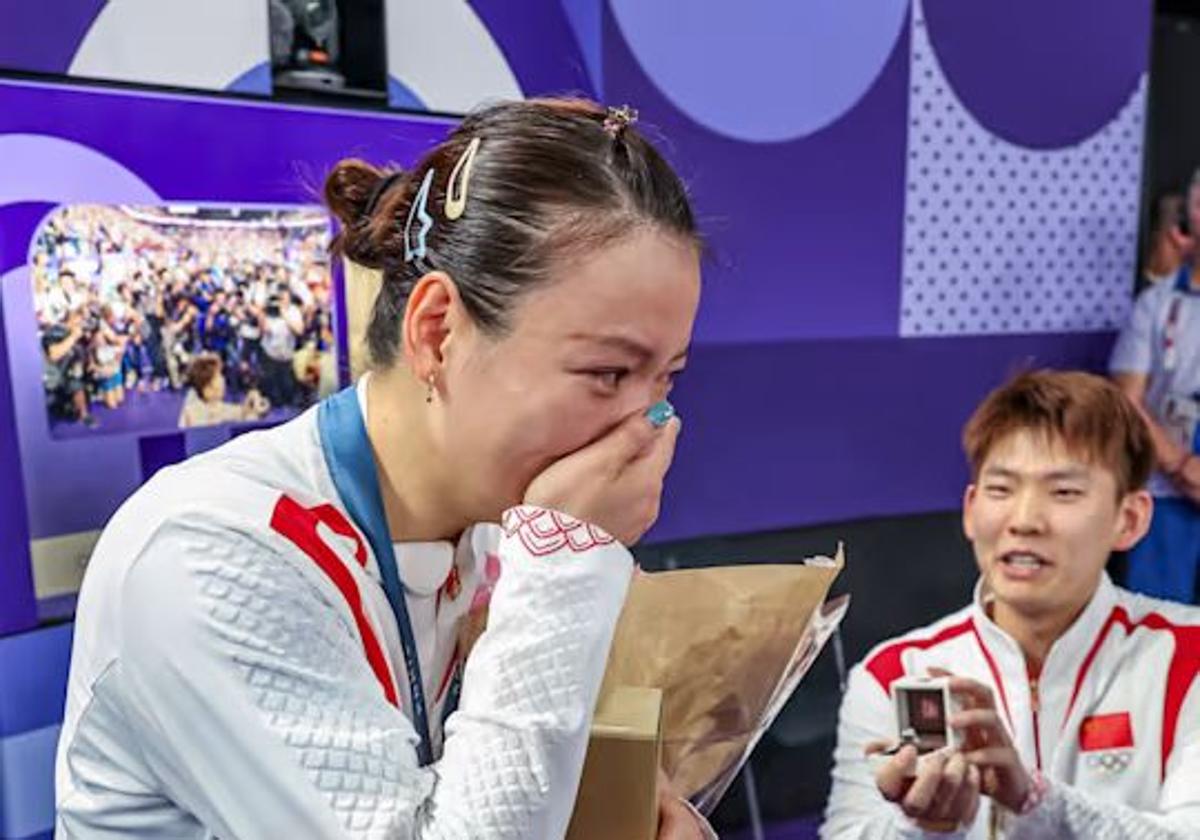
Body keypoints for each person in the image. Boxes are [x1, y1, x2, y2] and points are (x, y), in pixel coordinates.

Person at [56, 98, 712, 839]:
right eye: (607, 373)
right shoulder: (210, 553)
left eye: (667, 379)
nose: (646, 430)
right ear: (437, 333)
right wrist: (564, 560)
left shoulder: (498, 529)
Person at [822, 371, 1200, 839]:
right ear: (971, 509)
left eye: (1064, 492)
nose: (1024, 520)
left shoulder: (1190, 655)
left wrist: (1031, 799)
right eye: (1002, 489)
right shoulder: (894, 672)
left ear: (1130, 519)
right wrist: (928, 827)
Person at [1111, 170, 1200, 605]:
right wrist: (1182, 464)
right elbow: (1127, 399)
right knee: (1159, 630)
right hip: (1166, 489)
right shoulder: (1156, 305)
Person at [177, 352, 270, 428]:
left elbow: (237, 413)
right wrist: (252, 416)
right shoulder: (194, 414)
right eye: (218, 376)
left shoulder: (215, 405)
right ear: (207, 389)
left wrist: (249, 403)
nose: (223, 380)